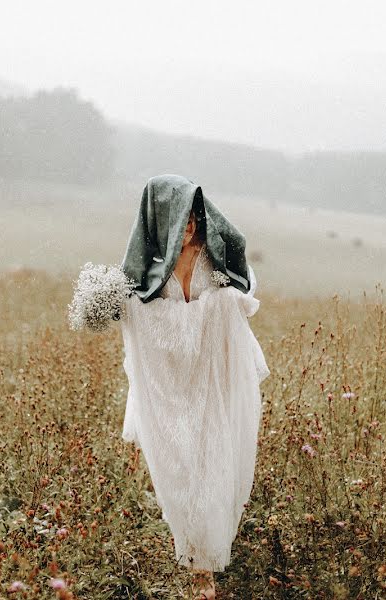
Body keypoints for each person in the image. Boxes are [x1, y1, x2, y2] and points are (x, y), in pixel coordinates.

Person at [119, 174, 270, 598]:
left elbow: (245, 298)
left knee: (213, 459)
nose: (190, 226)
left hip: (213, 380)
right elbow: (139, 324)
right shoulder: (146, 274)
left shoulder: (214, 258)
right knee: (178, 466)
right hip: (171, 388)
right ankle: (190, 554)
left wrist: (219, 305)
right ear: (161, 220)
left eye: (196, 216)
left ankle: (204, 570)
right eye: (181, 217)